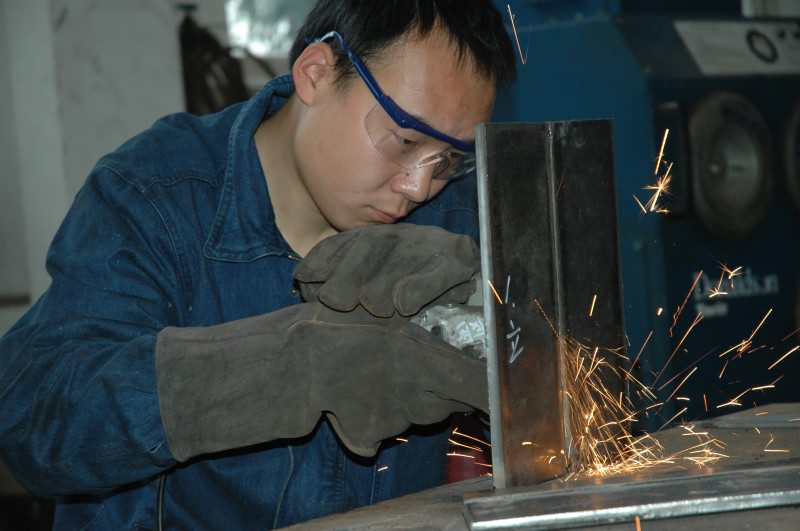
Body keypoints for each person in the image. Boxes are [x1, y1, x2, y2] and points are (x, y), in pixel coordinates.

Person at [0, 1, 516, 529]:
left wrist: (494, 338)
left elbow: (552, 403)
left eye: (449, 158)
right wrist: (289, 369)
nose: (419, 186)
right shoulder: (155, 197)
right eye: (405, 140)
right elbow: (32, 420)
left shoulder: (455, 215)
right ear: (316, 74)